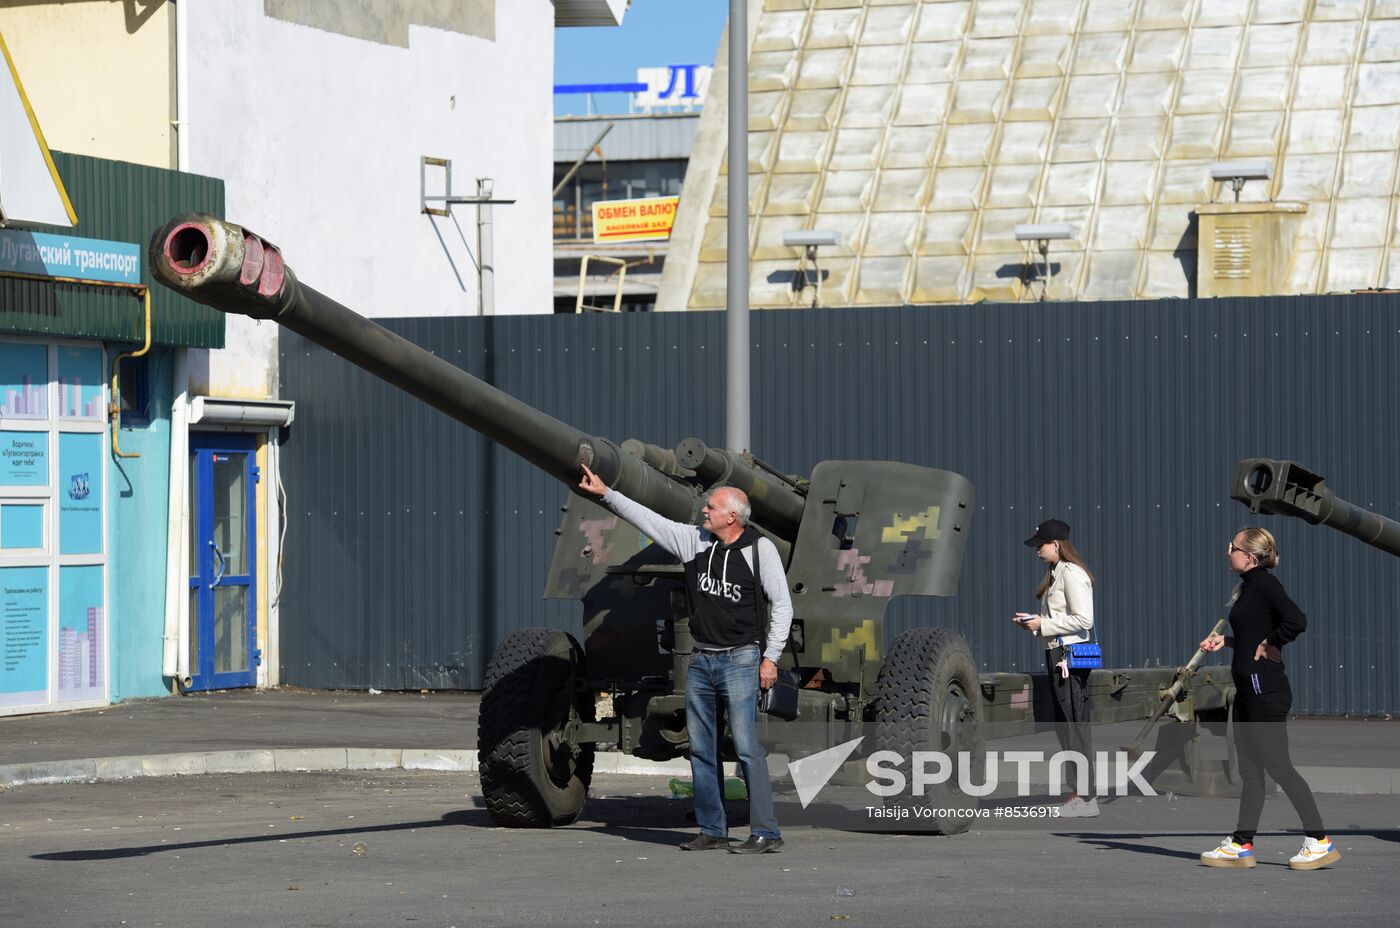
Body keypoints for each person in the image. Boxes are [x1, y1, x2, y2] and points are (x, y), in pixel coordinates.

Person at [578, 464, 791, 854]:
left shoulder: (760, 551)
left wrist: (770, 658)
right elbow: (648, 519)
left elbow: (783, 605)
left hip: (742, 660)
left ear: (732, 516)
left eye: (710, 506)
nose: (703, 510)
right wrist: (606, 493)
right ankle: (712, 829)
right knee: (701, 747)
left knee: (747, 749)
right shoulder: (693, 541)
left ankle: (766, 833)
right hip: (702, 661)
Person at [1197, 527, 1339, 871]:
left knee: (1278, 767)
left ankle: (1319, 841)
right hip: (1247, 692)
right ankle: (1241, 844)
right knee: (1250, 769)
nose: (1226, 551)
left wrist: (1272, 642)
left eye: (1231, 547)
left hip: (1265, 693)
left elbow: (1296, 620)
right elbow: (1251, 634)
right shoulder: (1249, 587)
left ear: (1249, 556)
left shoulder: (1265, 584)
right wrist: (1227, 643)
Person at [1011, 518, 1098, 818]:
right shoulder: (1056, 573)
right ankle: (1078, 792)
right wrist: (1035, 625)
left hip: (1070, 658)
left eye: (1040, 544)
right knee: (1066, 727)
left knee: (1076, 726)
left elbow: (1083, 620)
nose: (1036, 549)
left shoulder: (1072, 574)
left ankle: (1085, 796)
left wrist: (1043, 623)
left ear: (1056, 544)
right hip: (1058, 654)